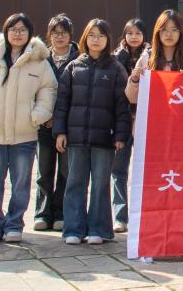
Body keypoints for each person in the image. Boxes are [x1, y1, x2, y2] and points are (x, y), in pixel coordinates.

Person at [0, 14, 57, 243]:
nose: (18, 33)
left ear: (30, 34)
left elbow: (48, 91)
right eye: (13, 29)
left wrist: (37, 115)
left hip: (24, 133)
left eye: (23, 29)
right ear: (6, 32)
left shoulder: (38, 61)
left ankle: (14, 224)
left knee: (21, 182)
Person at [53, 18, 131, 245]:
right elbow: (62, 103)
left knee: (100, 183)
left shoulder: (116, 69)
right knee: (75, 182)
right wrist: (60, 131)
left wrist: (120, 135)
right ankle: (73, 229)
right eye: (92, 35)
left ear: (108, 40)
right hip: (76, 138)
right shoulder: (74, 66)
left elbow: (122, 105)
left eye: (101, 35)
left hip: (104, 139)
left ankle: (99, 228)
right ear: (85, 38)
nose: (96, 40)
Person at [35, 14, 78, 232]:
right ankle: (42, 212)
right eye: (55, 33)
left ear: (71, 35)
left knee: (65, 171)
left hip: (69, 126)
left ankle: (60, 212)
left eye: (63, 32)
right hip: (44, 125)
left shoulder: (79, 59)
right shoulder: (40, 59)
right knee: (44, 170)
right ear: (49, 35)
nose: (59, 37)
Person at [111, 17, 148, 233]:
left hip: (144, 118)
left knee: (144, 170)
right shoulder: (116, 58)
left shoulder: (151, 57)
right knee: (119, 169)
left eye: (138, 33)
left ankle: (141, 214)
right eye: (130, 33)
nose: (133, 37)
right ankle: (120, 216)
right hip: (122, 119)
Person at [125, 10, 183, 102]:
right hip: (154, 114)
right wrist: (134, 80)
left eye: (174, 30)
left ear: (180, 33)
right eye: (164, 29)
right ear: (158, 31)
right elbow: (132, 98)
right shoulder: (146, 58)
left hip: (182, 114)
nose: (169, 34)